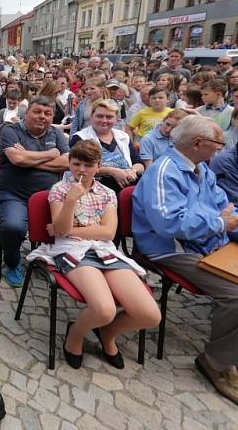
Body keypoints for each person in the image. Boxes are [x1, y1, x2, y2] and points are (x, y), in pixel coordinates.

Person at [132, 115, 238, 405]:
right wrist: (218, 222)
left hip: (207, 242)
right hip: (172, 250)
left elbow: (224, 207)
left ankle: (229, 348)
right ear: (197, 143)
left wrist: (225, 221)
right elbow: (169, 224)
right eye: (219, 144)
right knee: (236, 295)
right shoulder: (164, 171)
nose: (221, 149)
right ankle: (215, 363)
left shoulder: (202, 169)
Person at [29, 140, 160, 370]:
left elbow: (108, 232)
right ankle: (75, 335)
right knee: (104, 308)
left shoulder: (107, 193)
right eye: (76, 163)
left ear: (98, 166)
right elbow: (61, 232)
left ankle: (107, 333)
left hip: (105, 250)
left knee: (150, 314)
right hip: (71, 251)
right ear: (69, 164)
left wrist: (69, 229)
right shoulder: (59, 190)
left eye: (88, 165)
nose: (81, 170)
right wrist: (71, 200)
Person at [0, 96, 70, 287]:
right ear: (26, 113)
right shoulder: (10, 131)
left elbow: (67, 162)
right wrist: (51, 154)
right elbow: (17, 160)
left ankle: (57, 260)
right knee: (13, 227)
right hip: (14, 195)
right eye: (37, 112)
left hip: (50, 198)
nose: (42, 117)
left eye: (48, 113)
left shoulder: (56, 134)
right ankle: (12, 264)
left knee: (69, 224)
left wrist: (29, 159)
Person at [70, 99, 144, 194]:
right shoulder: (80, 138)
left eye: (109, 117)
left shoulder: (123, 136)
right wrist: (112, 171)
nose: (104, 120)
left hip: (128, 184)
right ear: (91, 117)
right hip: (96, 188)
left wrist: (133, 170)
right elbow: (80, 167)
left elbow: (139, 163)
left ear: (116, 119)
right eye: (99, 116)